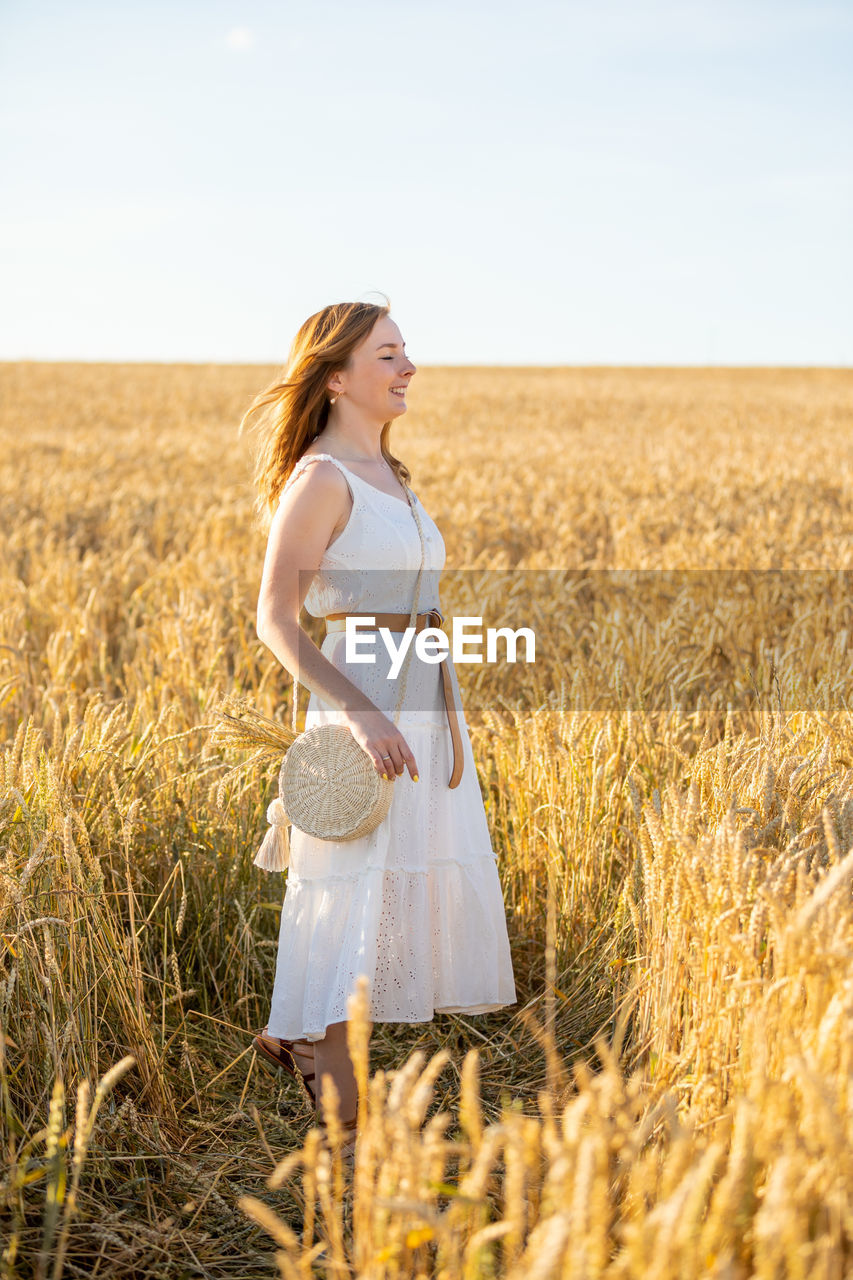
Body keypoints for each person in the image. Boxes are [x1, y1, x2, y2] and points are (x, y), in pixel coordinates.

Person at [240, 299, 516, 1155]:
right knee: (352, 885)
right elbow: (275, 620)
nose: (407, 368)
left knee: (396, 882)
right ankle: (343, 1121)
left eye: (406, 353)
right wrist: (360, 716)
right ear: (336, 377)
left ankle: (304, 1044)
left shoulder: (392, 474)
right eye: (388, 355)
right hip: (361, 703)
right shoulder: (321, 478)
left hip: (419, 702)